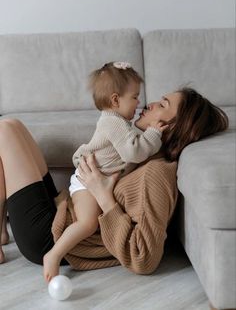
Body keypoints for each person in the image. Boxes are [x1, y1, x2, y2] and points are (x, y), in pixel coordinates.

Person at [0, 87, 228, 283]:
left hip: (51, 238)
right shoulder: (144, 153)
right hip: (61, 213)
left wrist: (103, 196)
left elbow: (144, 258)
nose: (150, 104)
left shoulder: (157, 174)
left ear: (171, 126)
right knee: (13, 125)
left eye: (162, 105)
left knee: (4, 131)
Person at [43, 61, 168, 282]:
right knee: (87, 223)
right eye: (135, 97)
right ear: (115, 100)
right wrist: (153, 134)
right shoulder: (113, 122)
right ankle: (53, 255)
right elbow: (134, 152)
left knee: (90, 221)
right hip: (86, 181)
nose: (140, 103)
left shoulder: (120, 121)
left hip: (95, 178)